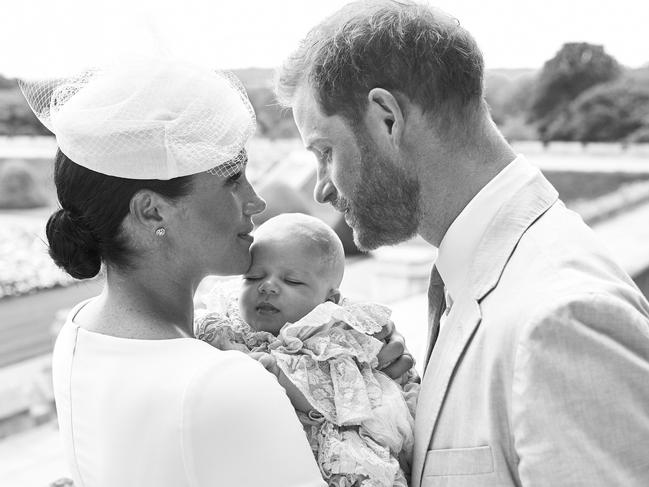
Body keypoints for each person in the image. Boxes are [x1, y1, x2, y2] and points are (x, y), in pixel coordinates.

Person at [276, 1, 649, 486]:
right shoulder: (476, 274)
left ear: (386, 118)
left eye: (325, 152)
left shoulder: (562, 316)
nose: (321, 188)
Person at [18, 59, 408, 487]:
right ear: (153, 211)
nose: (256, 200)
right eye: (233, 179)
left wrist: (348, 362)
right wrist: (372, 409)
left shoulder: (79, 332)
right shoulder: (229, 383)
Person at [196, 212, 418, 486]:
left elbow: (335, 398)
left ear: (330, 300)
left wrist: (272, 370)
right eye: (253, 277)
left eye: (292, 281)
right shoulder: (225, 323)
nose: (267, 287)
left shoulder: (334, 338)